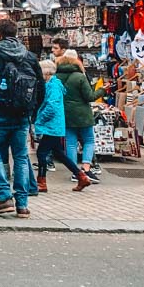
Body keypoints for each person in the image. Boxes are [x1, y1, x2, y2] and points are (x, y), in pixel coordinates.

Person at [0, 18, 44, 218]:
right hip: (22, 114)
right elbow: (40, 86)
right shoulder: (29, 56)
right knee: (21, 157)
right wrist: (33, 111)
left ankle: (4, 196)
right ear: (17, 33)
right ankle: (22, 204)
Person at [34, 59, 90, 192]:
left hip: (51, 126)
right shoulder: (52, 84)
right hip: (54, 125)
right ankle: (81, 177)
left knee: (41, 153)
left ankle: (41, 182)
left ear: (45, 72)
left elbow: (51, 106)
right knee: (59, 154)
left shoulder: (53, 86)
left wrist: (40, 119)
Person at [56, 49, 105, 182]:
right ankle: (86, 169)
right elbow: (90, 96)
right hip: (82, 114)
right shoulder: (80, 76)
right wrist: (102, 90)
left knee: (70, 143)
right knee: (88, 140)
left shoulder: (56, 76)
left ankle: (75, 172)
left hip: (65, 113)